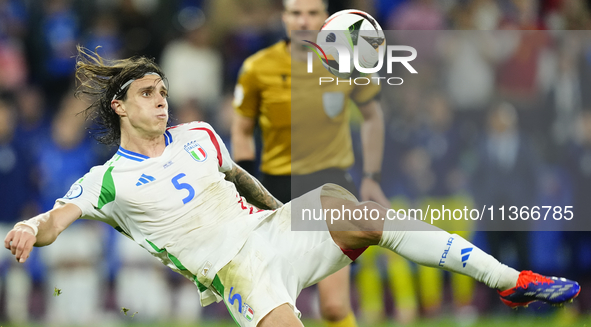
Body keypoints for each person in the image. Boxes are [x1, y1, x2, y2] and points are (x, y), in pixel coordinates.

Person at [5, 47, 581, 327]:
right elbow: (57, 219)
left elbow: (238, 177)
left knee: (347, 206)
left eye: (162, 89)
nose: (161, 98)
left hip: (270, 232)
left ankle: (510, 281)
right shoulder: (107, 180)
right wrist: (30, 228)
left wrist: (286, 217)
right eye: (149, 92)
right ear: (121, 105)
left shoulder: (201, 133)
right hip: (236, 274)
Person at [231, 0, 388, 327]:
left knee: (333, 307)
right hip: (273, 189)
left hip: (330, 184)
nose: (304, 20)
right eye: (296, 13)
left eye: (313, 13)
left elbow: (373, 116)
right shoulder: (257, 68)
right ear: (284, 18)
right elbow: (242, 131)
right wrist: (242, 189)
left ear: (326, 18)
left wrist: (372, 177)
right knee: (272, 302)